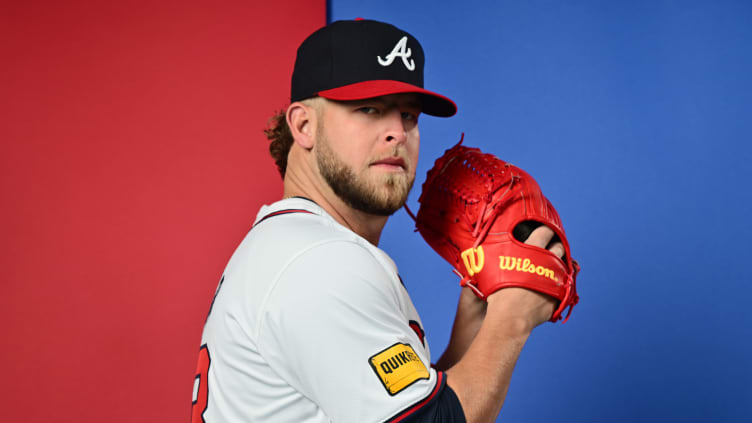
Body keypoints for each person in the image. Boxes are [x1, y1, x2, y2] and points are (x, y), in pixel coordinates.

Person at [192, 18, 565, 423]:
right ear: (303, 125)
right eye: (369, 109)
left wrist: (477, 318)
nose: (398, 133)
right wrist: (513, 318)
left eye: (408, 115)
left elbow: (414, 410)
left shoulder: (292, 245)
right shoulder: (319, 262)